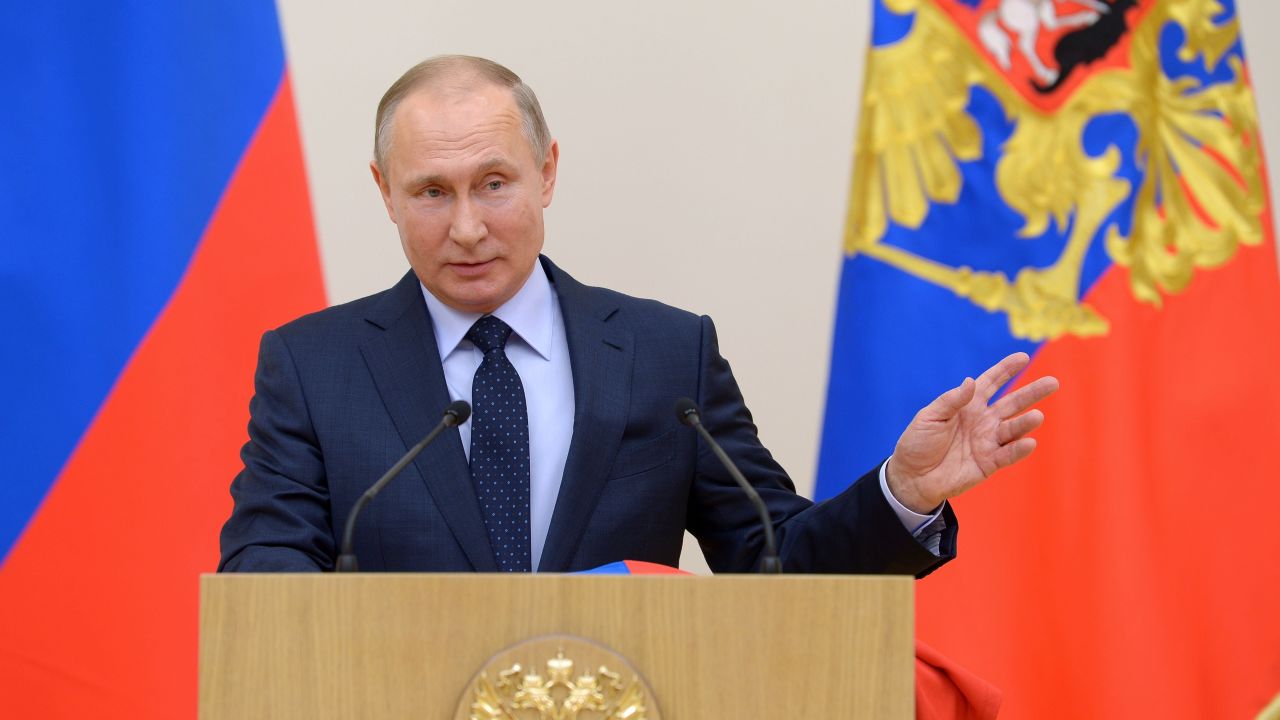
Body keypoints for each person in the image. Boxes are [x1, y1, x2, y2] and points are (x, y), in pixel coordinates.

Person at [218, 55, 1057, 574]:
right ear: (384, 195)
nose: (466, 226)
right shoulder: (314, 367)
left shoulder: (666, 356)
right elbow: (265, 573)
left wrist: (900, 494)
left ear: (546, 173)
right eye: (432, 193)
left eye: (494, 184)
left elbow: (772, 561)